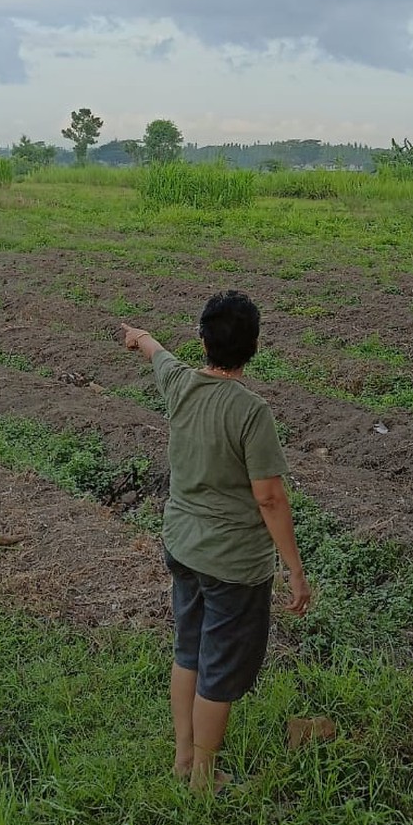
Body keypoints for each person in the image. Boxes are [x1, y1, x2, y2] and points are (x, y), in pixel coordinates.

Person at [121, 290, 311, 791]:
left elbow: (157, 355)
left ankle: (184, 758)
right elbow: (269, 498)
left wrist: (139, 337)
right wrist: (294, 567)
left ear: (202, 340)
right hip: (232, 564)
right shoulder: (251, 412)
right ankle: (203, 776)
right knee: (219, 670)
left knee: (188, 651)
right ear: (253, 348)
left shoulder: (181, 384)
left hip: (182, 546)